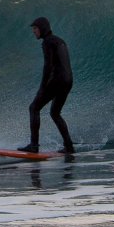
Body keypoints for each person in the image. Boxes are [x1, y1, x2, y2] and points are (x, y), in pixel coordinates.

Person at [18, 16, 75, 154]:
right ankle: (69, 146)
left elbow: (48, 66)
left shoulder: (47, 42)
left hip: (57, 80)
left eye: (35, 28)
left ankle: (34, 146)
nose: (34, 31)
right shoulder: (60, 40)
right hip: (68, 80)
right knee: (55, 113)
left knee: (34, 108)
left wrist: (43, 87)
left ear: (42, 28)